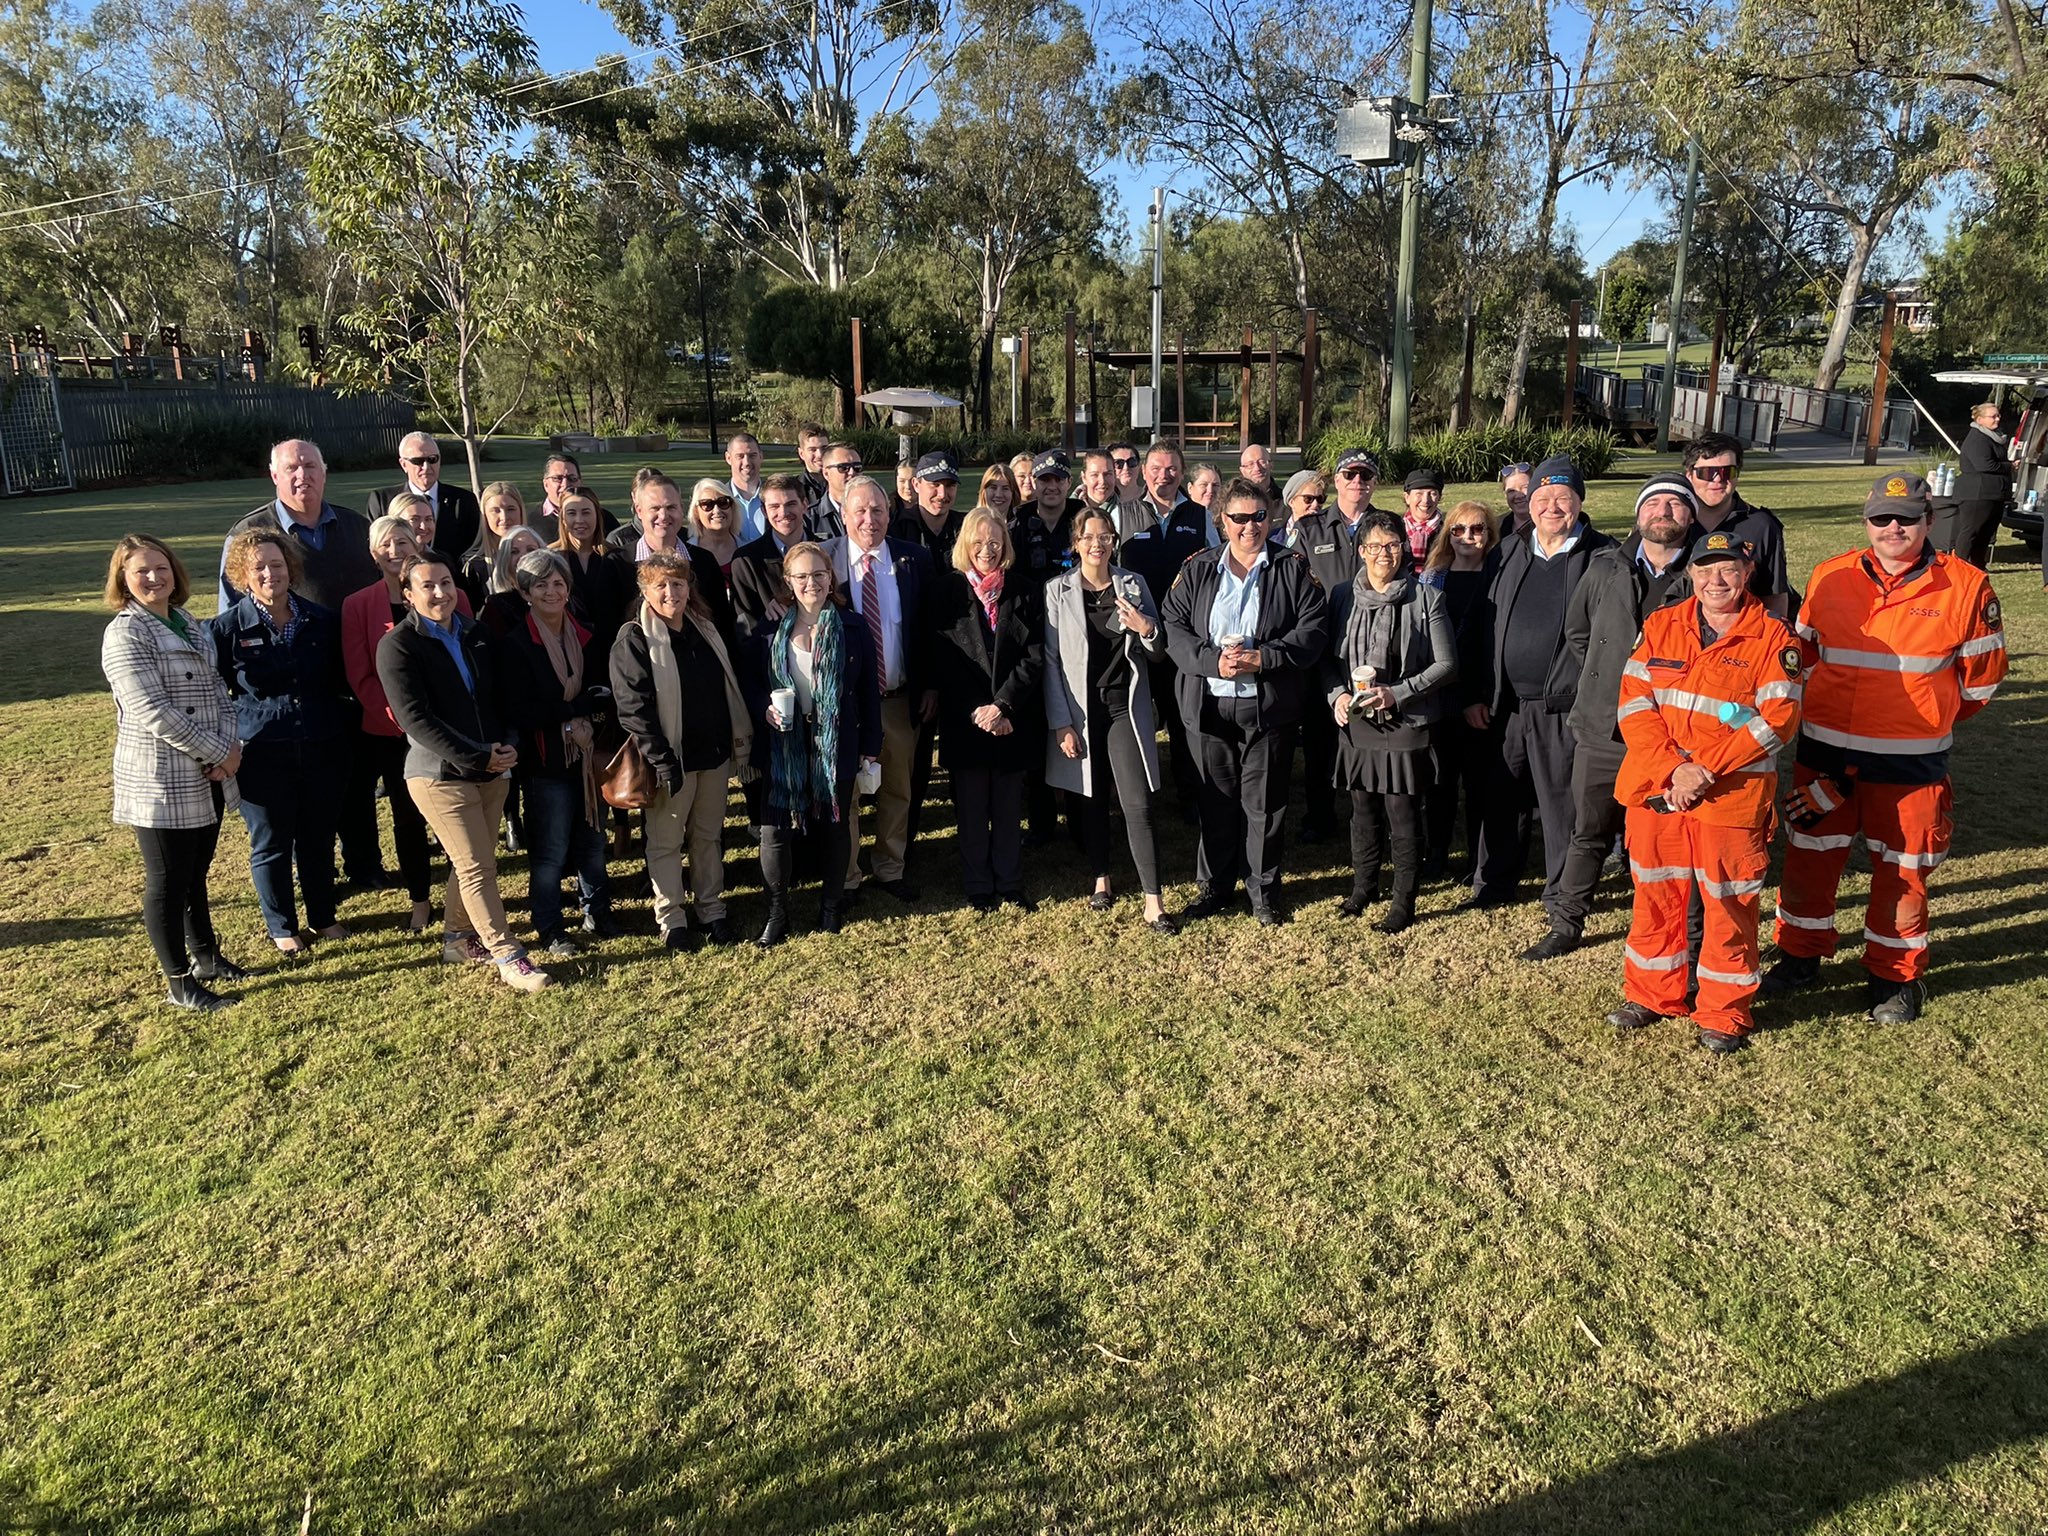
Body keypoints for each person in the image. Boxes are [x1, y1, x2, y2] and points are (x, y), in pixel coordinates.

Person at [1764, 471, 2007, 1023]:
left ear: (1929, 521)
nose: (1893, 528)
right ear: (1866, 521)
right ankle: (1799, 956)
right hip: (1823, 754)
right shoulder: (1830, 575)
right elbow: (1802, 658)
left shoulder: (1967, 586)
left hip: (1910, 764)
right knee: (1808, 861)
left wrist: (1923, 718)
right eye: (1881, 518)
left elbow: (1981, 683)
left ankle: (1893, 977)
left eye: (1906, 518)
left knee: (1903, 872)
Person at [1606, 533, 1801, 1052]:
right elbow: (1634, 704)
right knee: (1655, 897)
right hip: (1658, 789)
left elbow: (1777, 721)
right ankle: (1651, 994)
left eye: (1728, 570)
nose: (1716, 581)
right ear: (1689, 574)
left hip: (1731, 797)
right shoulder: (1661, 625)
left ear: (1747, 573)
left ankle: (1724, 1012)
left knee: (1728, 904)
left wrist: (1704, 771)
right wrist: (1673, 770)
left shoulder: (1774, 638)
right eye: (1705, 570)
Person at [1524, 473, 1699, 961]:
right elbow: (1579, 633)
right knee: (1588, 829)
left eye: (1675, 504)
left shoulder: (1703, 574)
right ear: (1639, 514)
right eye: (1653, 504)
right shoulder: (1606, 567)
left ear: (1691, 515)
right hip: (1605, 726)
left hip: (1672, 733)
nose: (1663, 512)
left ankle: (1679, 930)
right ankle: (1566, 922)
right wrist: (1609, 679)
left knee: (1668, 839)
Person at [375, 552, 551, 993]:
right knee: (476, 867)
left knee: (474, 860)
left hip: (492, 768)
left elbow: (502, 698)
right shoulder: (397, 645)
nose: (440, 593)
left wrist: (507, 743)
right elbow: (416, 720)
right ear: (408, 594)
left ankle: (457, 938)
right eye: (428, 586)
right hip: (438, 775)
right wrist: (476, 756)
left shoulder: (477, 634)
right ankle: (506, 953)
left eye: (446, 583)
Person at [1162, 477, 1330, 924]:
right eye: (1239, 517)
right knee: (1215, 799)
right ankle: (1215, 888)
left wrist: (1265, 658)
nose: (1250, 526)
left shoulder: (1292, 567)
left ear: (1270, 518)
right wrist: (1211, 662)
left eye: (1259, 516)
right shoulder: (1198, 567)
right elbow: (1174, 626)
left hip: (1268, 705)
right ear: (1222, 520)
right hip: (1209, 704)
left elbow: (1314, 630)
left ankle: (1263, 892)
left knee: (1265, 804)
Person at [1465, 455, 1618, 914]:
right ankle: (1494, 884)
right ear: (1529, 504)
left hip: (1565, 707)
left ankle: (1561, 893)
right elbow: (1480, 626)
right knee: (1500, 798)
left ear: (1579, 502)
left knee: (1561, 807)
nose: (1552, 507)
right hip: (1506, 704)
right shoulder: (1507, 551)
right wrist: (1475, 693)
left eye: (1563, 497)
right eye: (1543, 497)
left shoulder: (1604, 558)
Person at [102, 534, 245, 1011]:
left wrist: (229, 749)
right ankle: (180, 982)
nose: (153, 577)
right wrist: (218, 752)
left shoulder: (186, 621)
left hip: (209, 771)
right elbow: (153, 711)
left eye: (161, 567)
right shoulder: (126, 633)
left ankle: (206, 956)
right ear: (123, 579)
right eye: (141, 571)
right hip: (162, 777)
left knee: (195, 873)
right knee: (167, 881)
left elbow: (218, 691)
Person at [212, 527, 354, 956]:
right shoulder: (225, 629)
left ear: (290, 568)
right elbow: (216, 693)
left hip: (322, 743)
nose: (269, 574)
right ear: (243, 575)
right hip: (262, 751)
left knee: (318, 836)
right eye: (259, 567)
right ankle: (282, 926)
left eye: (277, 565)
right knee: (272, 840)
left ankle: (323, 916)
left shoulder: (322, 620)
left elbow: (341, 681)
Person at [610, 552, 752, 950]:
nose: (671, 592)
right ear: (645, 591)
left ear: (690, 587)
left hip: (714, 755)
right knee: (665, 843)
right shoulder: (634, 639)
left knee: (707, 837)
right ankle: (672, 920)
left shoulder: (704, 628)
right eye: (661, 585)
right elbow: (634, 710)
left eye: (678, 583)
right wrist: (662, 760)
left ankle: (711, 909)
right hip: (671, 760)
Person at [1045, 509, 1176, 933]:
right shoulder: (1057, 591)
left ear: (1114, 541)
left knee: (1137, 802)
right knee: (1092, 796)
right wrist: (1061, 722)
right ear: (1076, 544)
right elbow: (1051, 662)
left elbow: (1159, 650)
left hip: (1124, 708)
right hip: (1081, 711)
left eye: (1105, 536)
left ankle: (1153, 901)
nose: (1097, 544)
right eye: (1088, 537)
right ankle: (1101, 877)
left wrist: (1145, 627)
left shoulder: (1133, 584)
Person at [1327, 511, 1456, 932]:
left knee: (1401, 810)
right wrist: (1337, 694)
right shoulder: (1342, 596)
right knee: (1362, 806)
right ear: (1361, 551)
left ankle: (1403, 901)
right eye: (1375, 546)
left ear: (1404, 548)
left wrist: (1396, 693)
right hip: (1358, 721)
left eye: (1393, 544)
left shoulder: (1426, 598)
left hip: (1406, 720)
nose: (1385, 553)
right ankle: (1364, 887)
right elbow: (1326, 660)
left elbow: (1446, 665)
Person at [342, 515, 472, 932]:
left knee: (459, 817)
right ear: (373, 553)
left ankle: (463, 897)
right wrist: (406, 718)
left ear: (417, 545)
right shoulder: (358, 604)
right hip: (394, 733)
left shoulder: (453, 596)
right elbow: (361, 675)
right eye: (386, 544)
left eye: (403, 541)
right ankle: (420, 900)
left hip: (451, 728)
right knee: (408, 819)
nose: (395, 550)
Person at [751, 542, 884, 943]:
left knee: (835, 824)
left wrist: (870, 743)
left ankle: (830, 906)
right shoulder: (769, 630)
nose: (812, 583)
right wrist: (763, 708)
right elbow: (751, 684)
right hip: (784, 744)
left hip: (836, 742)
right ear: (788, 581)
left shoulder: (852, 626)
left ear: (831, 578)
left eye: (819, 574)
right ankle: (778, 913)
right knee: (775, 831)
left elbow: (868, 691)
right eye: (802, 576)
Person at [825, 475, 939, 901]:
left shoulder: (914, 560)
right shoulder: (825, 560)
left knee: (898, 789)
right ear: (844, 515)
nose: (869, 519)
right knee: (848, 794)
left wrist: (930, 686)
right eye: (860, 511)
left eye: (877, 510)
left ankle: (891, 868)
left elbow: (928, 630)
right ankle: (848, 875)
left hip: (898, 699)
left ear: (890, 514)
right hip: (846, 705)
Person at [495, 548, 614, 955]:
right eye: (541, 584)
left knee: (593, 842)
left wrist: (580, 714)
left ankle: (598, 912)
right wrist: (572, 714)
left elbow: (601, 693)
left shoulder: (587, 635)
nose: (551, 591)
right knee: (550, 852)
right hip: (546, 762)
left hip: (588, 757)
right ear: (525, 592)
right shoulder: (515, 644)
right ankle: (549, 927)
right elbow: (520, 709)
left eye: (559, 583)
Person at [932, 509, 1045, 911]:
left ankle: (1009, 881)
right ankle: (978, 884)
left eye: (994, 542)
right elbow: (944, 660)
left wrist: (1003, 706)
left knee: (1008, 806)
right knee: (972, 808)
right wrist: (979, 711)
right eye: (978, 542)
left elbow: (1035, 656)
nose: (986, 550)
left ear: (1005, 545)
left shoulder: (1025, 590)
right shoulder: (945, 592)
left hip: (1011, 717)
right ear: (965, 544)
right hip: (967, 720)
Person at [1420, 500, 1501, 879]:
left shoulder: (1500, 577)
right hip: (1439, 695)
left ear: (1489, 534)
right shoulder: (1432, 578)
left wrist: (1478, 697)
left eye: (1477, 529)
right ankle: (1436, 854)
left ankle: (1476, 859)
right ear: (1448, 534)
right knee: (1439, 781)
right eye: (1459, 529)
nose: (1468, 536)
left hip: (1480, 698)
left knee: (1479, 783)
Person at [1278, 468, 1355, 844]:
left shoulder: (1337, 529)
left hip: (1347, 644)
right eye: (1307, 499)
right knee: (1316, 739)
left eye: (1320, 500)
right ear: (1290, 500)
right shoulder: (1292, 536)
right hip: (1310, 646)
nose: (1314, 505)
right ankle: (1318, 814)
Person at [220, 439, 379, 613]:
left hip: (358, 630)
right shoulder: (247, 533)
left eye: (310, 466)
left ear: (323, 474)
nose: (302, 474)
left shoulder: (359, 527)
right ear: (275, 476)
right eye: (291, 468)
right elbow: (230, 610)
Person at [605, 470, 739, 644]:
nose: (663, 516)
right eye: (655, 508)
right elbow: (609, 631)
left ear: (681, 509)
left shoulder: (704, 561)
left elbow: (723, 625)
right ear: (639, 511)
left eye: (671, 507)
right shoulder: (617, 564)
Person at [1682, 433, 1790, 615]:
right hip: (1676, 628)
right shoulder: (1673, 522)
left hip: (1743, 628)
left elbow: (1774, 595)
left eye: (1727, 472)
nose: (1717, 479)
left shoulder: (1761, 525)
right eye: (1707, 473)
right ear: (1689, 475)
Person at [365, 431, 480, 561]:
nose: (426, 467)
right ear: (403, 464)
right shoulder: (382, 500)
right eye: (418, 461)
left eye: (432, 459)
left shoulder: (464, 500)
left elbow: (473, 549)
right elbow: (375, 548)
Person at [731, 473, 810, 647]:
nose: (783, 513)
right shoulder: (746, 561)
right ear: (764, 511)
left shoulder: (827, 551)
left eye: (791, 504)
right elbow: (746, 629)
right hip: (770, 656)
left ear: (805, 505)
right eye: (775, 506)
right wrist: (768, 620)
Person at [549, 490, 634, 650]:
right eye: (571, 513)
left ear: (597, 516)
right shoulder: (551, 560)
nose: (579, 520)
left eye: (586, 512)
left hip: (613, 648)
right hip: (567, 648)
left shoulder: (619, 558)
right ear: (562, 519)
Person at [1937, 402, 2011, 568]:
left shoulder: (1993, 437)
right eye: (1993, 416)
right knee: (1971, 530)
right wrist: (2009, 466)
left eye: (1998, 415)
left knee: (1986, 532)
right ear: (1980, 419)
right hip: (1977, 493)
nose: (1997, 419)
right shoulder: (1977, 439)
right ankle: (1960, 565)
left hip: (1993, 493)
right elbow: (1985, 465)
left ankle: (1977, 566)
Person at [461, 481, 529, 612]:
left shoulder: (538, 555)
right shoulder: (473, 566)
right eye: (495, 511)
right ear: (485, 516)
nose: (504, 517)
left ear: (521, 511)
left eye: (511, 509)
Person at [1011, 450, 1079, 579]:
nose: (1052, 487)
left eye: (1059, 480)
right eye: (1044, 480)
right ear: (1033, 482)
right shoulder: (1018, 527)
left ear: (1069, 482)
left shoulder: (1084, 524)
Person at [893, 452, 964, 564]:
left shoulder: (966, 528)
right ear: (916, 485)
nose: (942, 494)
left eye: (950, 485)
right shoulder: (897, 529)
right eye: (935, 484)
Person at [687, 477, 742, 590]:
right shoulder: (686, 554)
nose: (717, 510)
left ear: (732, 508)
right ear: (696, 512)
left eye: (723, 502)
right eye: (707, 505)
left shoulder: (749, 552)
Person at [808, 441, 863, 541]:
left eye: (857, 467)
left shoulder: (877, 512)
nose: (852, 472)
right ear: (826, 473)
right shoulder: (810, 518)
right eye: (843, 468)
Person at [724, 431, 767, 542]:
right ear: (728, 458)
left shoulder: (774, 497)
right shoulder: (720, 499)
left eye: (752, 455)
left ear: (761, 456)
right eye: (740, 456)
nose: (746, 462)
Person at [1400, 468, 1444, 566]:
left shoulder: (1448, 534)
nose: (1426, 500)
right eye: (1419, 494)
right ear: (1407, 498)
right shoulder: (1395, 531)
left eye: (1432, 494)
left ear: (1439, 497)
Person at [795, 422, 831, 508]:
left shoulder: (842, 484)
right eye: (812, 450)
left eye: (824, 448)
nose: (820, 455)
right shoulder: (795, 489)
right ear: (801, 454)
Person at [1498, 462, 1533, 540]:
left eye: (1525, 487)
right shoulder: (1496, 526)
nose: (1519, 495)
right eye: (1511, 491)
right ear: (1505, 494)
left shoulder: (1550, 523)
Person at [1186, 463, 1224, 535]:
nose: (1210, 490)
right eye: (1203, 485)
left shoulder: (1226, 521)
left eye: (1215, 485)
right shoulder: (1181, 519)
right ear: (1190, 488)